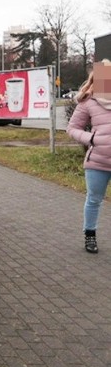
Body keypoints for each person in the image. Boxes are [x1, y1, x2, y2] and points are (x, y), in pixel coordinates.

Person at [66, 60, 111, 253]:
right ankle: (90, 236)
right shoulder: (88, 101)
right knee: (94, 199)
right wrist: (90, 138)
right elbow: (72, 128)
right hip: (98, 162)